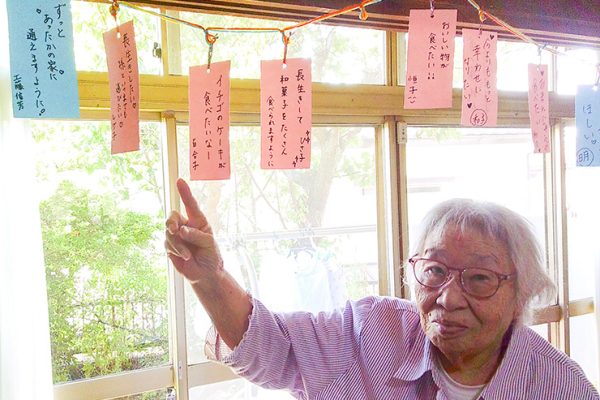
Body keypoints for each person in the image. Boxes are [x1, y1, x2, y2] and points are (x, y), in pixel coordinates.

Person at [165, 178, 599, 399]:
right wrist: (209, 278)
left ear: (521, 294)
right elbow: (274, 349)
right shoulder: (371, 331)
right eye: (434, 271)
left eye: (480, 279)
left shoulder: (560, 387)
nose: (448, 298)